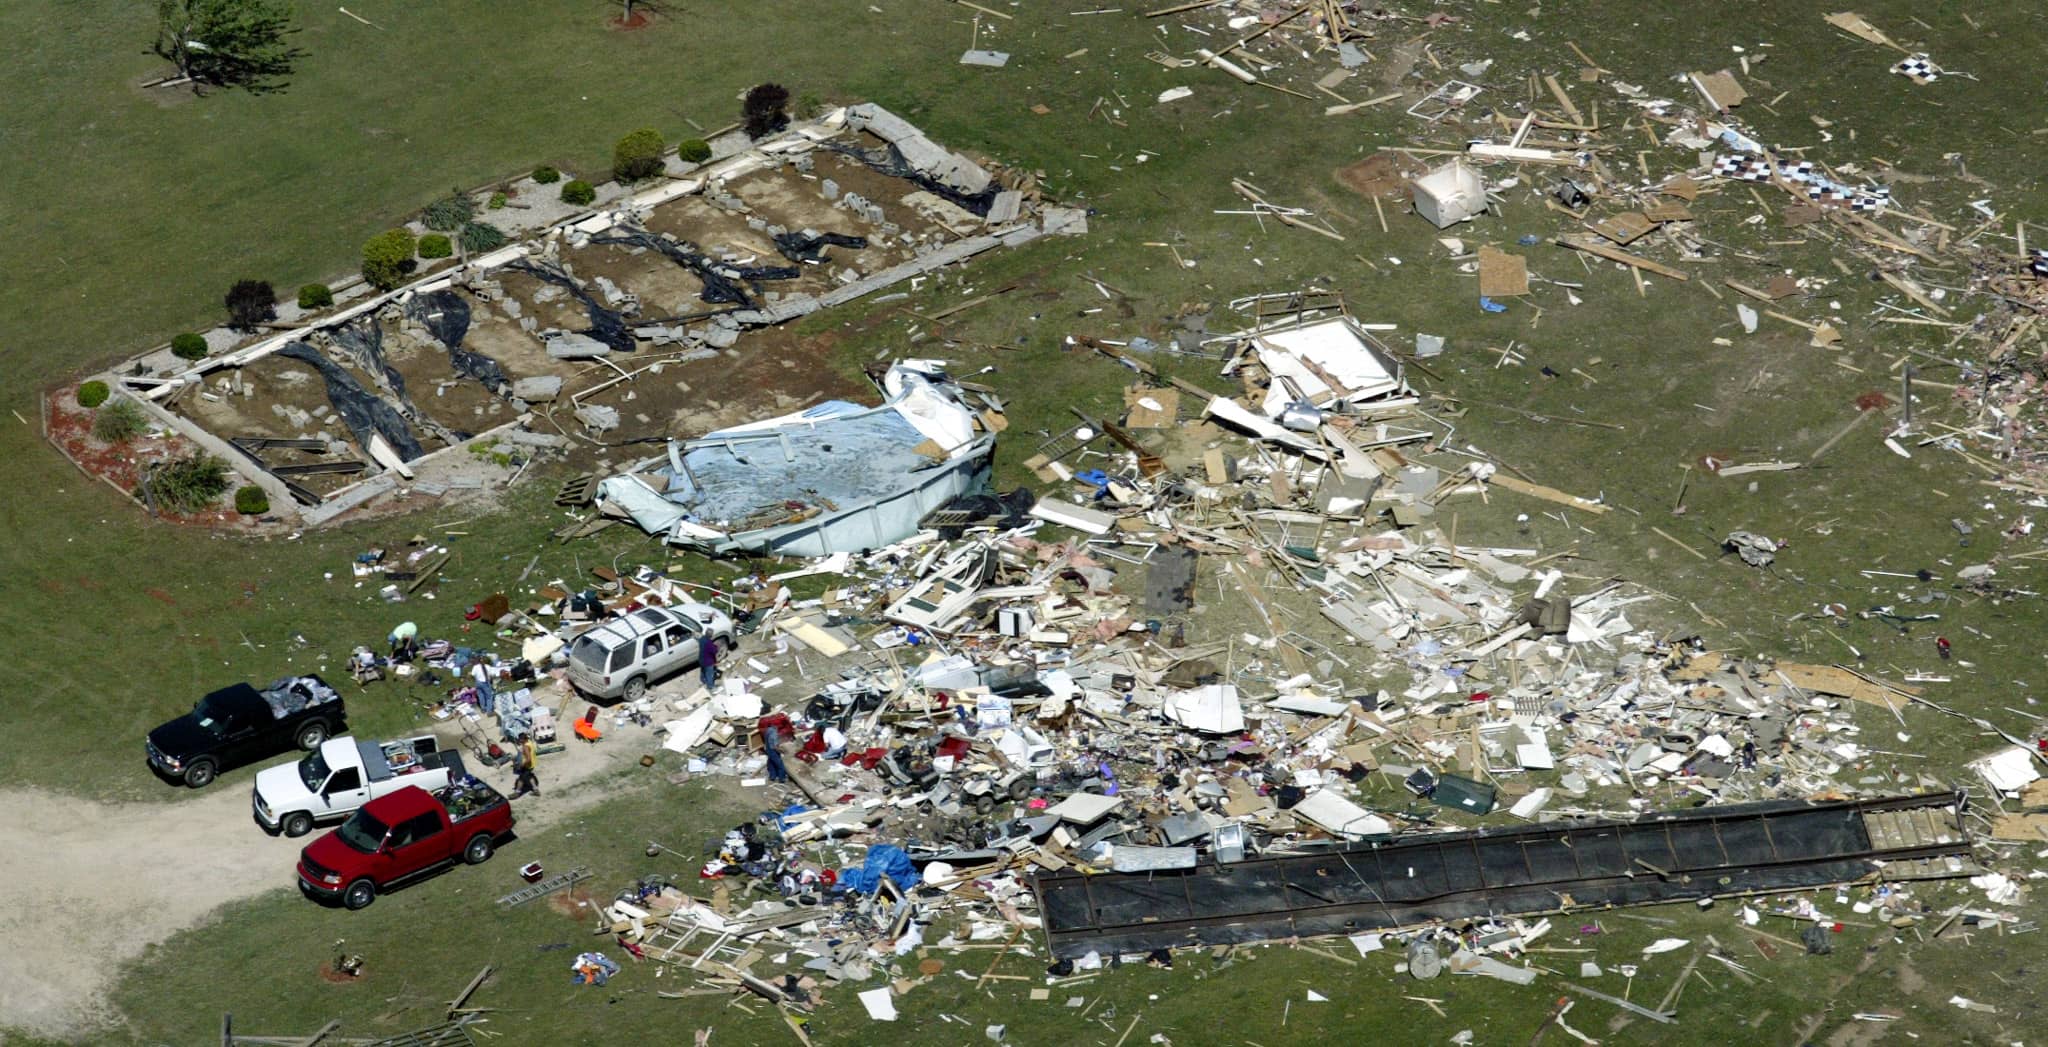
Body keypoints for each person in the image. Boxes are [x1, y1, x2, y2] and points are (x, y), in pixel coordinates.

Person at [758, 711, 793, 783]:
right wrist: (782, 751)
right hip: (773, 751)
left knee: (771, 763)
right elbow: (774, 746)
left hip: (768, 749)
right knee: (781, 766)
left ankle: (772, 776)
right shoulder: (773, 734)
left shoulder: (768, 730)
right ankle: (781, 779)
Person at [510, 731, 540, 799]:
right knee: (529, 777)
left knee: (521, 779)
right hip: (532, 764)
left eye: (520, 739)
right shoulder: (530, 743)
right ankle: (536, 790)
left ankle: (517, 793)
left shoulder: (526, 746)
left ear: (523, 739)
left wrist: (521, 765)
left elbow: (528, 758)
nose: (519, 741)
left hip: (527, 765)